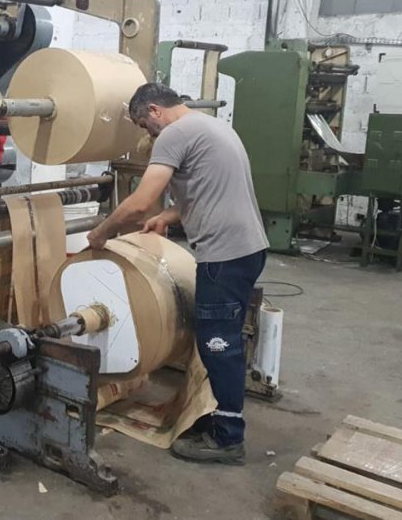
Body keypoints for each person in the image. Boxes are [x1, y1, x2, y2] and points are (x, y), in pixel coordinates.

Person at [86, 82, 269, 465]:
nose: (148, 134)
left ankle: (227, 438)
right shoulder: (211, 125)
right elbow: (210, 192)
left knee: (218, 345)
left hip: (224, 255)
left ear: (154, 110)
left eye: (144, 125)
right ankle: (220, 418)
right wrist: (168, 217)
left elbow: (140, 203)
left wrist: (101, 233)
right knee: (223, 339)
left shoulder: (174, 134)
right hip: (248, 249)